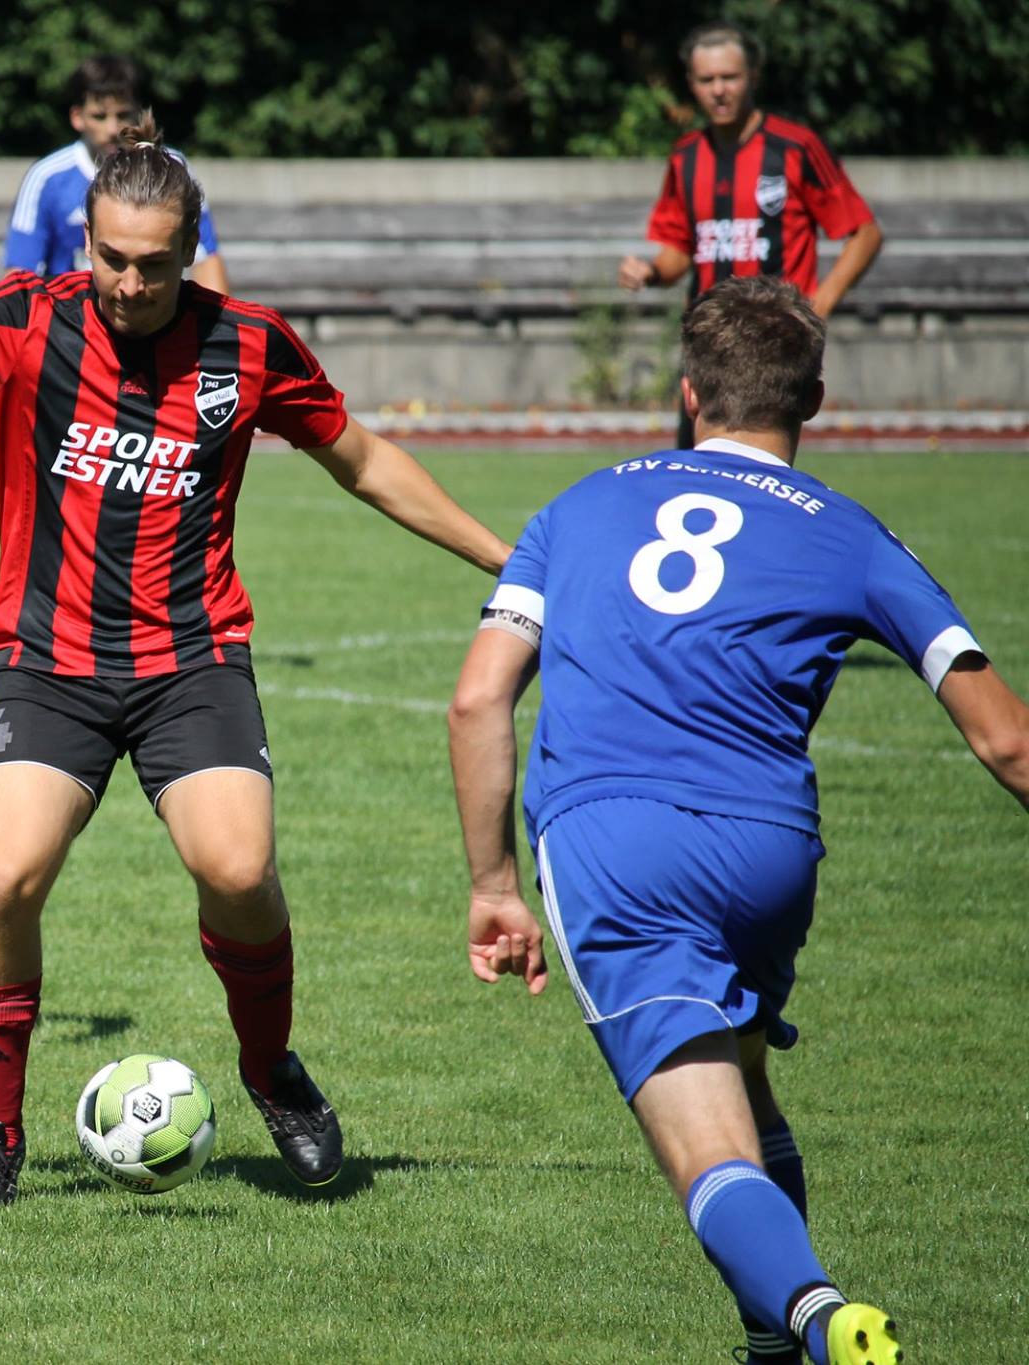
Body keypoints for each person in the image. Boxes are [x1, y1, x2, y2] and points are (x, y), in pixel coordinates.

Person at [0, 122, 511, 1204]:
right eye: (111, 257)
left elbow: (363, 462)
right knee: (3, 878)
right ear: (82, 238)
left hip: (193, 661)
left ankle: (270, 1070)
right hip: (49, 663)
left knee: (236, 873)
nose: (130, 283)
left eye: (154, 263)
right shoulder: (19, 317)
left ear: (190, 251)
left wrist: (506, 562)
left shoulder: (250, 344)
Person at [447, 277, 1029, 1365]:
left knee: (702, 1139)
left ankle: (817, 1320)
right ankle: (773, 1346)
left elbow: (478, 697)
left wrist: (491, 886)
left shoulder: (574, 506)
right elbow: (1005, 741)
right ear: (812, 399)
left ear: (686, 394)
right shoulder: (855, 535)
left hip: (610, 840)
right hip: (768, 852)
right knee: (743, 1074)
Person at [618, 22, 884, 453]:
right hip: (710, 343)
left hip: (776, 342)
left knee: (765, 472)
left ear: (752, 78)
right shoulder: (686, 156)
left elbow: (865, 233)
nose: (719, 90)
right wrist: (649, 271)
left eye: (730, 77)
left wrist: (818, 306)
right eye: (707, 80)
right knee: (697, 466)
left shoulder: (795, 148)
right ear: (692, 85)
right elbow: (679, 252)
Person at [4, 55, 230, 295]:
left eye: (122, 115)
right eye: (99, 116)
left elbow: (206, 259)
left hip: (150, 310)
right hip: (68, 321)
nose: (112, 129)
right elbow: (19, 279)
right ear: (77, 117)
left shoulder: (171, 169)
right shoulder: (46, 177)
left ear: (138, 113)